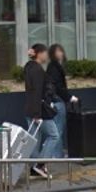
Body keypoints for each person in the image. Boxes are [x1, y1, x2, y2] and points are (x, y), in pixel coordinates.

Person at [23, 43, 57, 179]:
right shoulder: (37, 70)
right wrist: (37, 114)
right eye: (45, 53)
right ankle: (40, 164)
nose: (47, 56)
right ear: (40, 54)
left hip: (31, 109)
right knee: (54, 135)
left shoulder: (29, 68)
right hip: (40, 110)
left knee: (34, 140)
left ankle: (34, 168)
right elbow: (37, 92)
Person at [44, 43, 78, 160]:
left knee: (56, 129)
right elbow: (58, 86)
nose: (61, 53)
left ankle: (55, 153)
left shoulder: (53, 67)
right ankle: (57, 154)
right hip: (58, 100)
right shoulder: (55, 68)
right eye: (58, 51)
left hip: (55, 100)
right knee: (58, 129)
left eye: (61, 51)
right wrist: (69, 97)